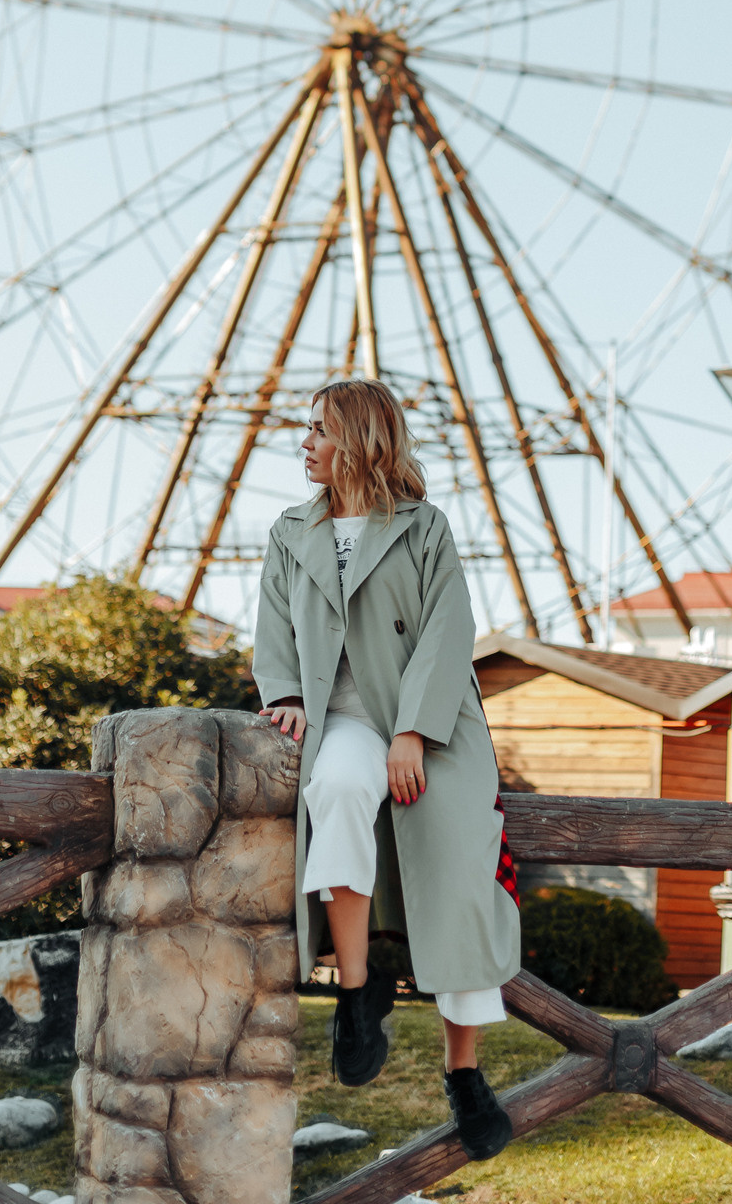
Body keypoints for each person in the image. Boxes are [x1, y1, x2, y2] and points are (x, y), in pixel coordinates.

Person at [254, 378, 518, 1161]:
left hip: (427, 724)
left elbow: (447, 632)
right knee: (333, 787)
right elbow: (270, 624)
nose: (303, 445)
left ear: (358, 441)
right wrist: (288, 695)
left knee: (456, 872)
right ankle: (355, 991)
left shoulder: (423, 527)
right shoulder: (289, 531)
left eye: (316, 432)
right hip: (337, 720)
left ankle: (464, 1073)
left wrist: (411, 731)